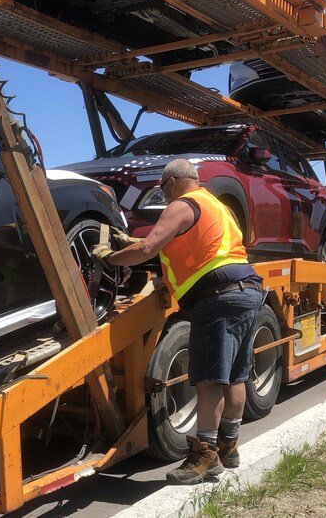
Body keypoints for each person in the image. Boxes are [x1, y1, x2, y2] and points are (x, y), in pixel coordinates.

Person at [91, 158, 263, 485]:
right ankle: (228, 446)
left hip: (218, 298)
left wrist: (109, 257)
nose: (163, 195)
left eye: (161, 189)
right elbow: (192, 245)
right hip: (247, 290)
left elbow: (148, 246)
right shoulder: (216, 206)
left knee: (209, 380)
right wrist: (130, 245)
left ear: (170, 184)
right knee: (235, 376)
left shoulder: (182, 205)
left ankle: (204, 457)